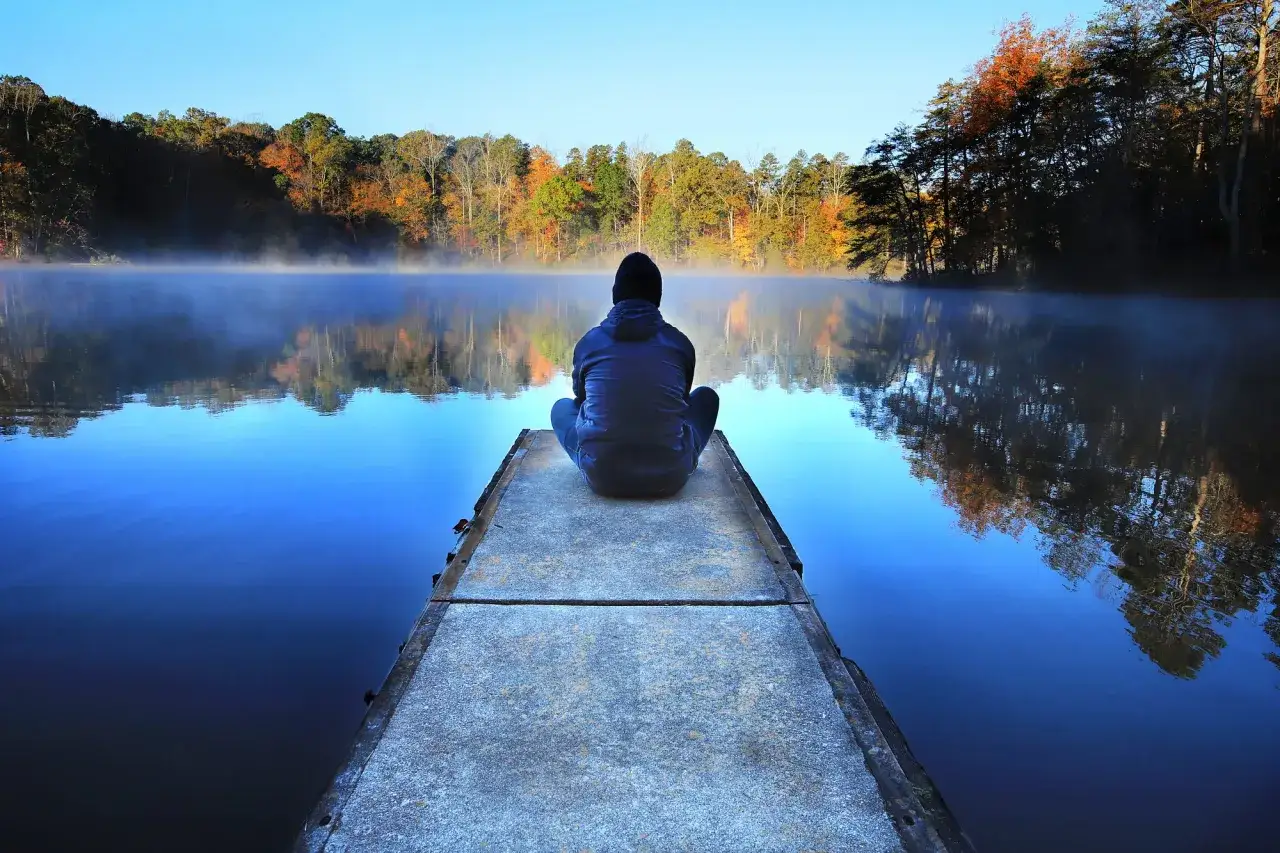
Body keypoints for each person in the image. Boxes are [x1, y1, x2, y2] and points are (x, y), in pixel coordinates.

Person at [550, 252, 719, 498]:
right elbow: (682, 402)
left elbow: (581, 398)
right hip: (670, 476)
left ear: (614, 295)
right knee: (706, 397)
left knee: (562, 407)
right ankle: (682, 459)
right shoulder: (680, 344)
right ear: (658, 297)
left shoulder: (589, 343)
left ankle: (601, 453)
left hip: (603, 476)